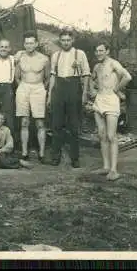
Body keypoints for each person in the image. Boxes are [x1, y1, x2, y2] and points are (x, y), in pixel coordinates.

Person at [47, 28, 91, 168]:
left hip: (74, 87)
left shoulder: (80, 54)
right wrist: (50, 95)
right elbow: (53, 76)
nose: (66, 43)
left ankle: (75, 157)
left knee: (73, 125)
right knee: (57, 124)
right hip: (59, 88)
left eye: (68, 40)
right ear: (60, 41)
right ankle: (55, 156)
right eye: (63, 40)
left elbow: (86, 75)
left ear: (72, 40)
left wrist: (84, 94)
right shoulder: (56, 55)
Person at [89, 42, 132, 181]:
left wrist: (117, 89)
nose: (98, 53)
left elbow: (127, 77)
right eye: (96, 51)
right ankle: (106, 166)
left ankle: (114, 170)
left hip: (111, 100)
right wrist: (92, 89)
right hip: (99, 100)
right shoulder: (96, 66)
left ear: (107, 51)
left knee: (111, 135)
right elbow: (91, 79)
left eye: (101, 50)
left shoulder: (114, 64)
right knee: (101, 134)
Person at [14, 31, 51, 162]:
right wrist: (23, 87)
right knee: (24, 122)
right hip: (23, 87)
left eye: (31, 43)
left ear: (36, 44)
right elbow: (17, 77)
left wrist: (40, 88)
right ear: (24, 44)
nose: (29, 46)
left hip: (38, 88)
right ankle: (24, 153)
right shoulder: (20, 57)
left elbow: (48, 78)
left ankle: (41, 154)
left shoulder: (44, 59)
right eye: (26, 43)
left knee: (40, 123)